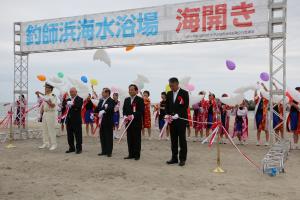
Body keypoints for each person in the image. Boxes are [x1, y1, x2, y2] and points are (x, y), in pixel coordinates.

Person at [165, 77, 189, 166]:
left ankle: (182, 159)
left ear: (177, 84)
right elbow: (167, 105)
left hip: (181, 120)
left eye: (172, 85)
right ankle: (174, 158)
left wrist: (178, 114)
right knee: (173, 139)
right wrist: (167, 114)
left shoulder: (184, 93)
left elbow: (185, 106)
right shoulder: (169, 93)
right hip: (172, 120)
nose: (171, 87)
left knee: (182, 140)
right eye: (170, 86)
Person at [123, 84, 144, 160]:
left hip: (136, 122)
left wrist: (133, 115)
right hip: (128, 122)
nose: (130, 91)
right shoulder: (126, 99)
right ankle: (130, 154)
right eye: (129, 89)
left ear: (136, 91)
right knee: (129, 138)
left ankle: (137, 155)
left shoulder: (140, 99)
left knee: (136, 139)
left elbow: (141, 111)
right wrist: (125, 116)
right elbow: (124, 110)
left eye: (132, 89)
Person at [37, 82, 58, 150]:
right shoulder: (45, 96)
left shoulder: (53, 96)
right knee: (44, 129)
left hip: (51, 113)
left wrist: (48, 101)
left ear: (50, 88)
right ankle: (46, 143)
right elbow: (42, 104)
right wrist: (38, 95)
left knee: (51, 129)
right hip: (45, 113)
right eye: (45, 87)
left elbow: (53, 105)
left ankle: (54, 144)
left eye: (46, 87)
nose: (45, 89)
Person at [94, 88, 115, 157]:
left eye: (103, 92)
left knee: (108, 137)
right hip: (101, 122)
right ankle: (104, 151)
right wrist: (95, 113)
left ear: (107, 93)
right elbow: (97, 108)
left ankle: (109, 152)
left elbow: (111, 108)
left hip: (108, 121)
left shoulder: (111, 101)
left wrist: (104, 111)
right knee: (102, 136)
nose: (102, 94)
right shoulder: (101, 100)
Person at [65, 87, 83, 154]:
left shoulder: (79, 99)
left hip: (76, 120)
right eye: (70, 92)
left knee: (78, 135)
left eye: (72, 92)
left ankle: (79, 149)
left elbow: (78, 106)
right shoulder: (68, 99)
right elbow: (64, 107)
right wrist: (65, 104)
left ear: (76, 92)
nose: (71, 93)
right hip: (69, 120)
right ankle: (71, 148)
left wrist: (72, 104)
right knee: (69, 135)